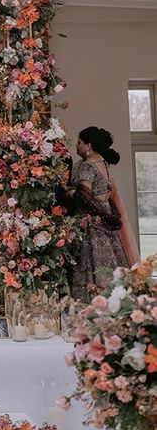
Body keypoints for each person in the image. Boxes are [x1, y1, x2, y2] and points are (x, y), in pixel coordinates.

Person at [67, 126, 138, 300]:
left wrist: (68, 192)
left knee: (91, 264)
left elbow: (84, 196)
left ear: (88, 145)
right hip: (106, 215)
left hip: (92, 222)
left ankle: (92, 304)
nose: (76, 147)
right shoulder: (103, 163)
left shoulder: (87, 165)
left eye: (79, 143)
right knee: (112, 262)